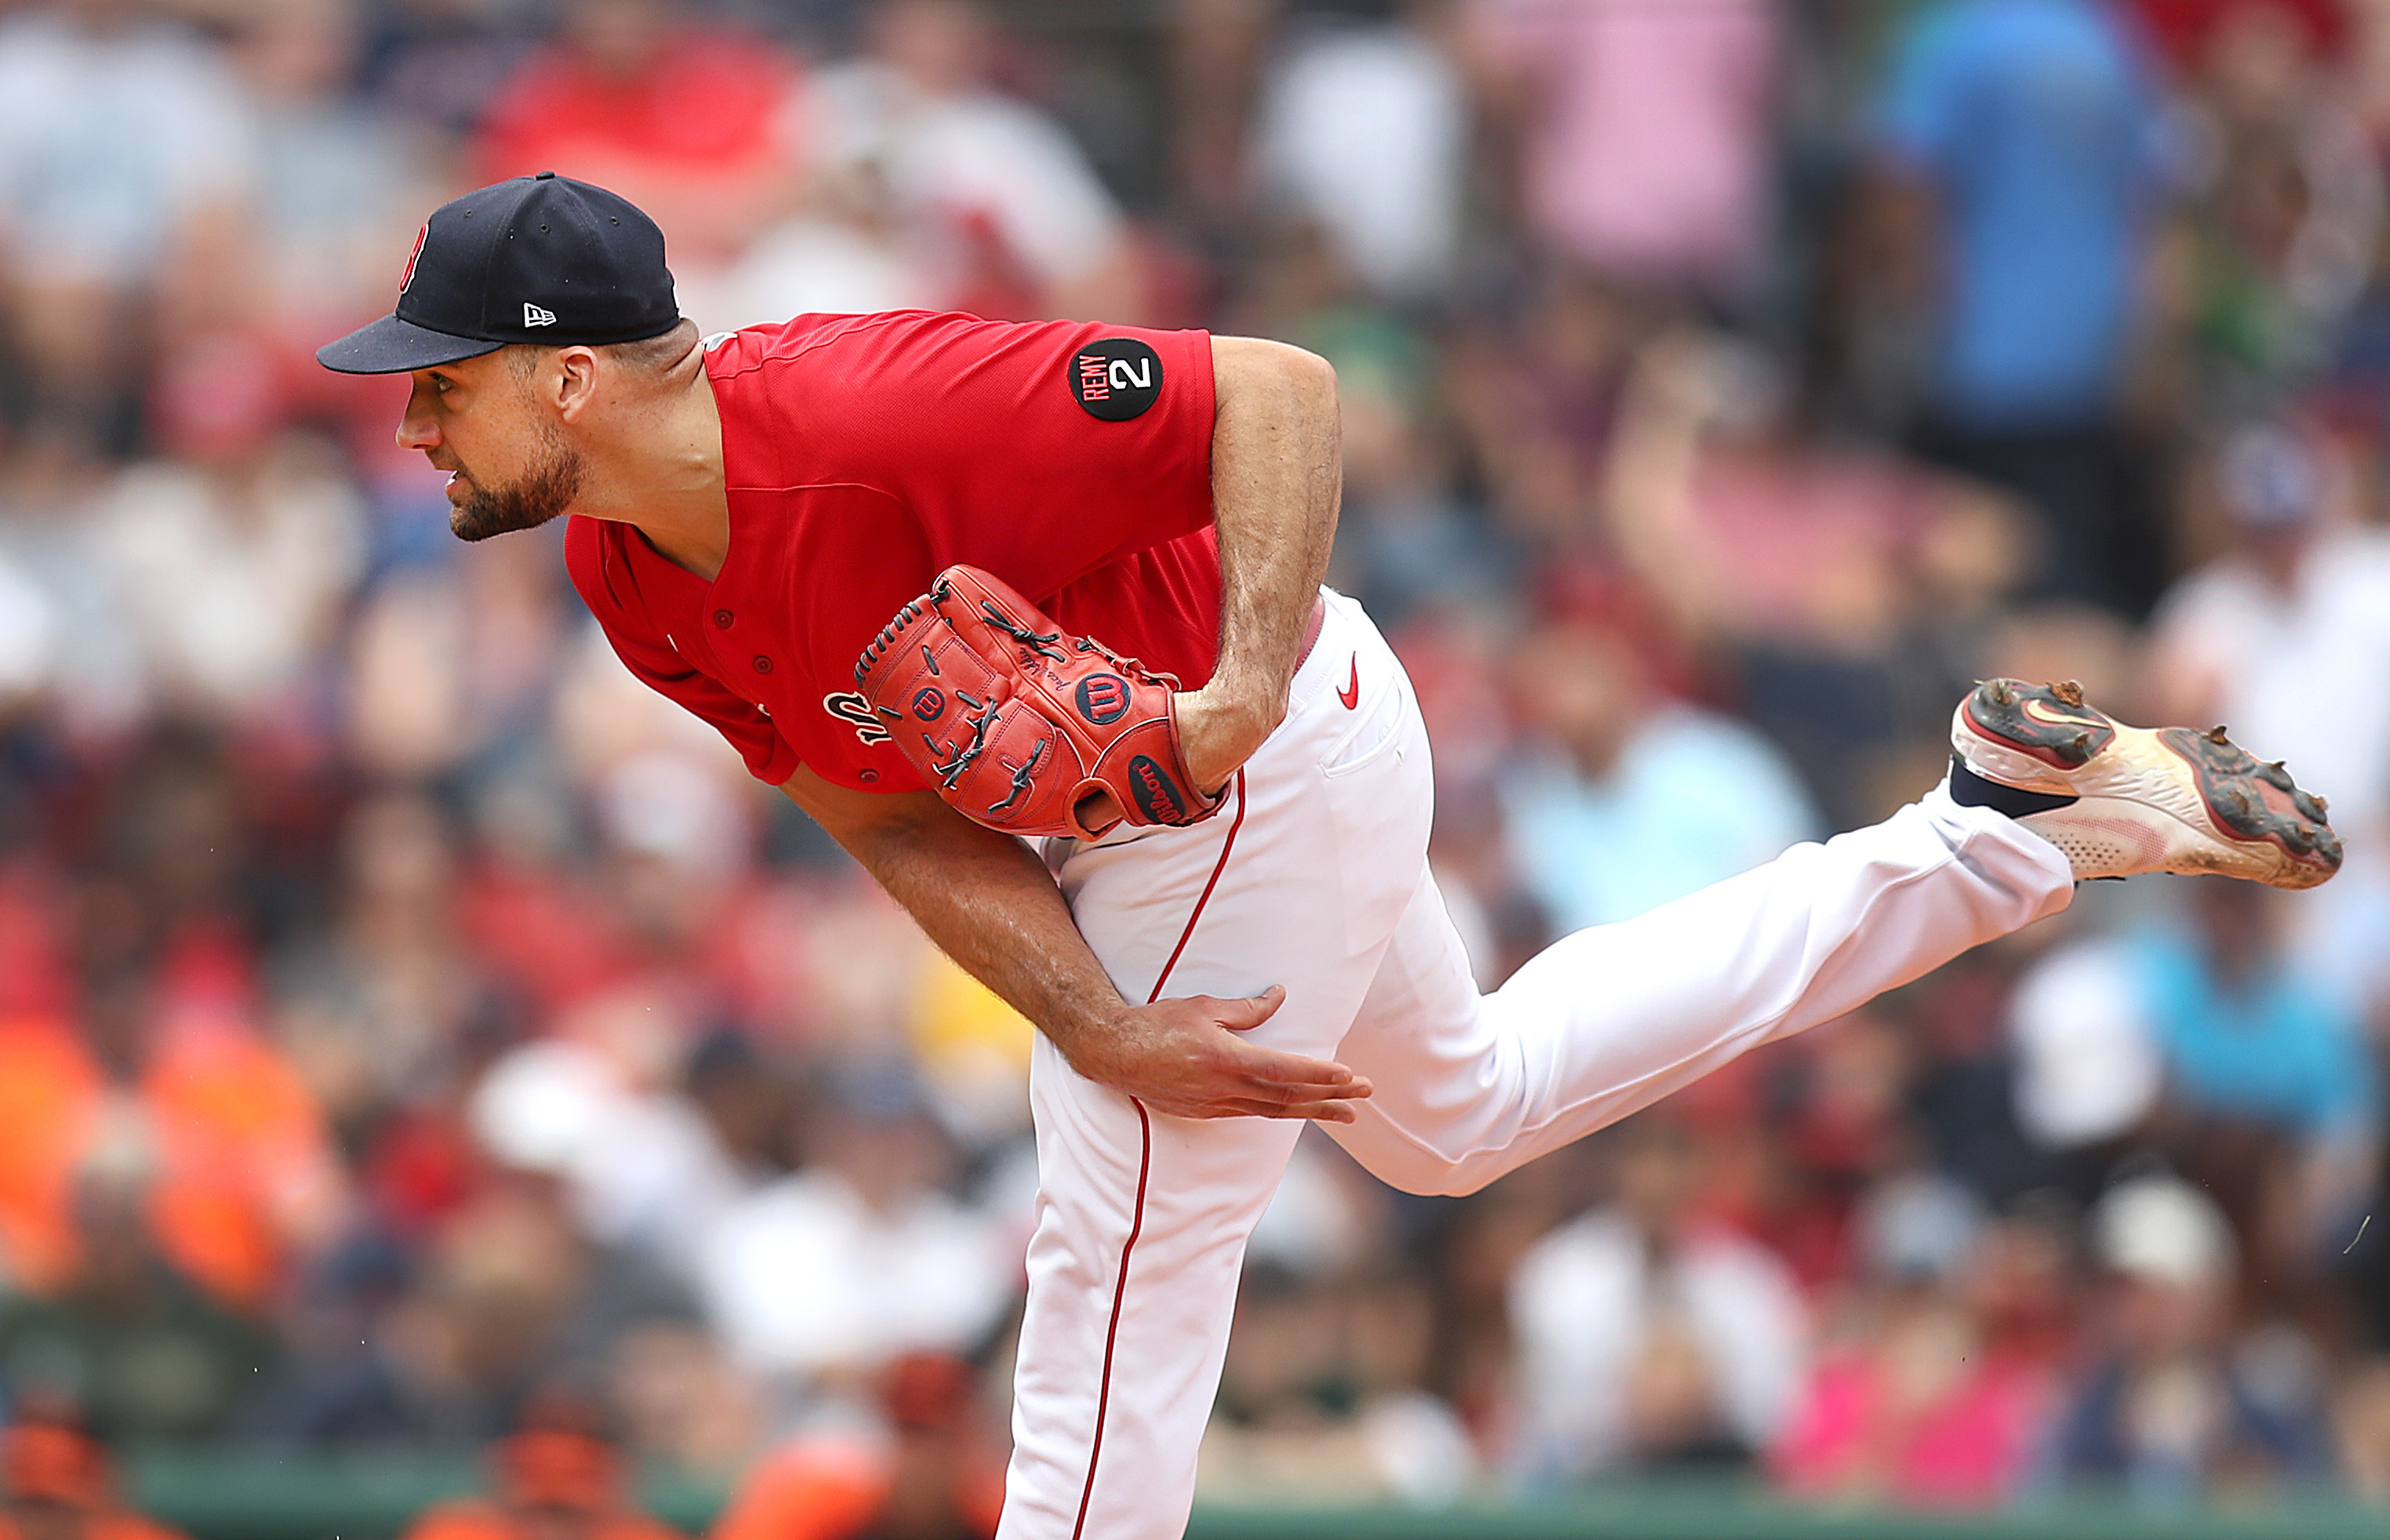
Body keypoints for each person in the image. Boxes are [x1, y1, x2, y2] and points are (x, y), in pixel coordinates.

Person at [318, 174, 2341, 1540]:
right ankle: (1993, 829)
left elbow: (1273, 393)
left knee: (1122, 1246)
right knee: (1459, 1118)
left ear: (570, 370)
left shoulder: (865, 406)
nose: (414, 422)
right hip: (1194, 824)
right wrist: (1102, 1019)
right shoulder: (620, 567)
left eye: (444, 377)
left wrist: (1245, 678)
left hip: (1261, 758)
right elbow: (871, 808)